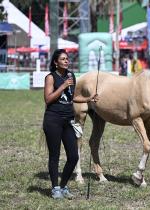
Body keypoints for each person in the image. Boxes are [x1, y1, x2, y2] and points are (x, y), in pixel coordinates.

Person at [43, 49, 98, 199]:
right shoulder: (50, 77)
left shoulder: (71, 76)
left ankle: (63, 186)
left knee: (73, 156)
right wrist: (62, 86)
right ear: (55, 62)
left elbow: (71, 98)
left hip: (68, 120)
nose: (67, 61)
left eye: (67, 58)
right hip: (53, 120)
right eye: (63, 59)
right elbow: (48, 99)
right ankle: (55, 188)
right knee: (54, 156)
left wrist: (88, 99)